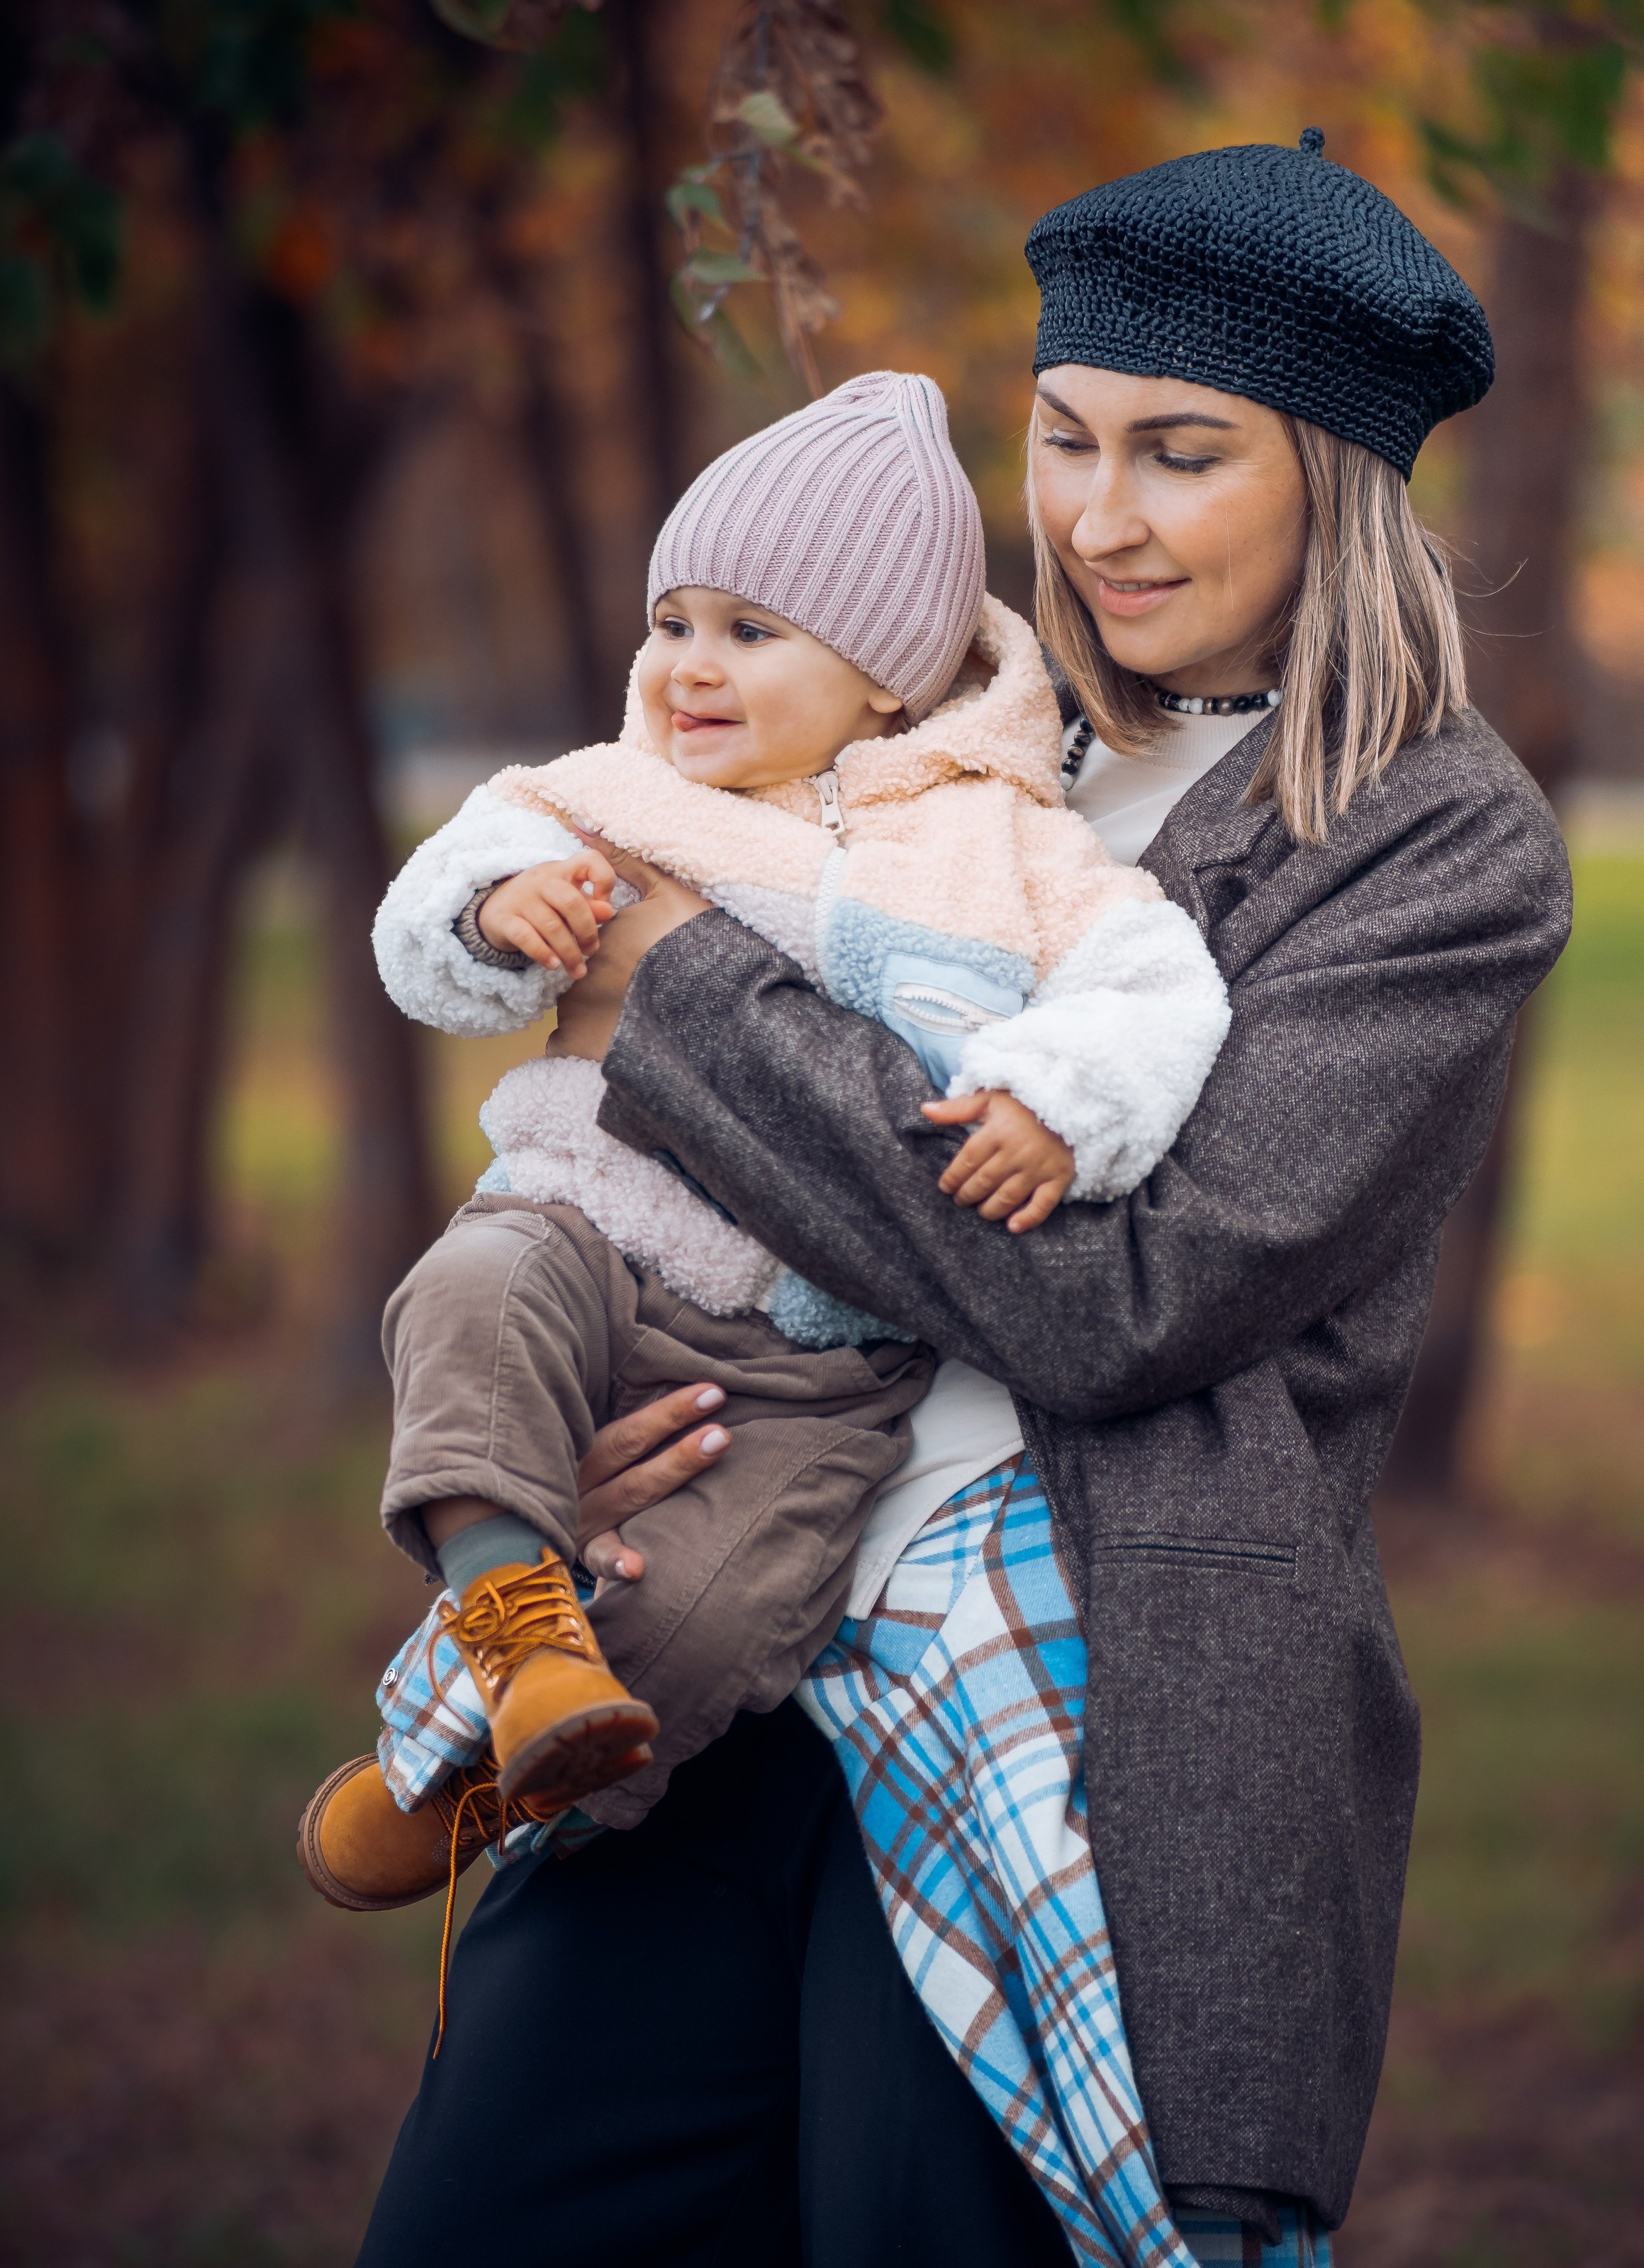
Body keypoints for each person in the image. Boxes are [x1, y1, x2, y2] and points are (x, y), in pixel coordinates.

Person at [355, 133, 1572, 2268]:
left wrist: (673, 990)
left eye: (1183, 455)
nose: (1102, 518)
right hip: (723, 1617)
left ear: (1338, 486)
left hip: (1085, 1708)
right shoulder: (937, 715)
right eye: (1070, 438)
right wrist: (598, 1400)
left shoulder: (1432, 850)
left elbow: (1131, 1293)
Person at [301, 370, 1229, 1907]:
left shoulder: (1007, 847)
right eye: (672, 623)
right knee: (468, 1306)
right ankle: (507, 1621)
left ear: (883, 675)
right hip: (588, 1232)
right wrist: (486, 908)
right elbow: (430, 912)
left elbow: (1151, 986)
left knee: (727, 1607)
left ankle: (491, 1790)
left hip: (819, 1356)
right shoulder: (608, 796)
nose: (687, 669)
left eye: (749, 632)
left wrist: (1059, 1098)